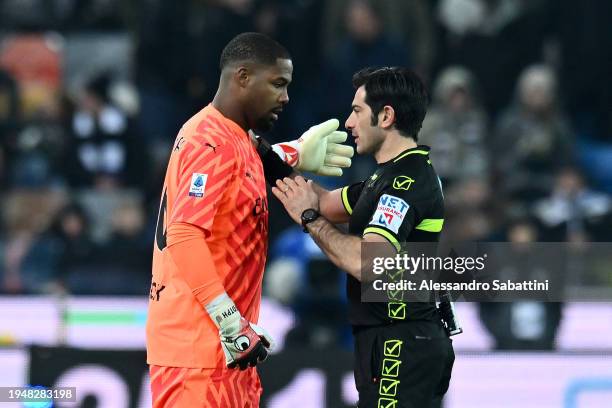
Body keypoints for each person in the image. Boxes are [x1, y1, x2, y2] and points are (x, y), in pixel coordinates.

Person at [145, 32, 353, 407]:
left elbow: (242, 163)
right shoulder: (209, 141)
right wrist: (228, 319)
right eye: (277, 84)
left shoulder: (232, 138)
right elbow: (184, 232)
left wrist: (294, 152)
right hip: (200, 350)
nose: (286, 97)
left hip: (227, 350)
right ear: (242, 77)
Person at [272, 67, 455, 407]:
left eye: (357, 111)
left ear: (386, 116)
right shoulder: (385, 179)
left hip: (401, 343)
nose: (349, 123)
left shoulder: (405, 183)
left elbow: (366, 262)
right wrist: (284, 155)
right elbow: (322, 200)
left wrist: (309, 220)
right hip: (391, 340)